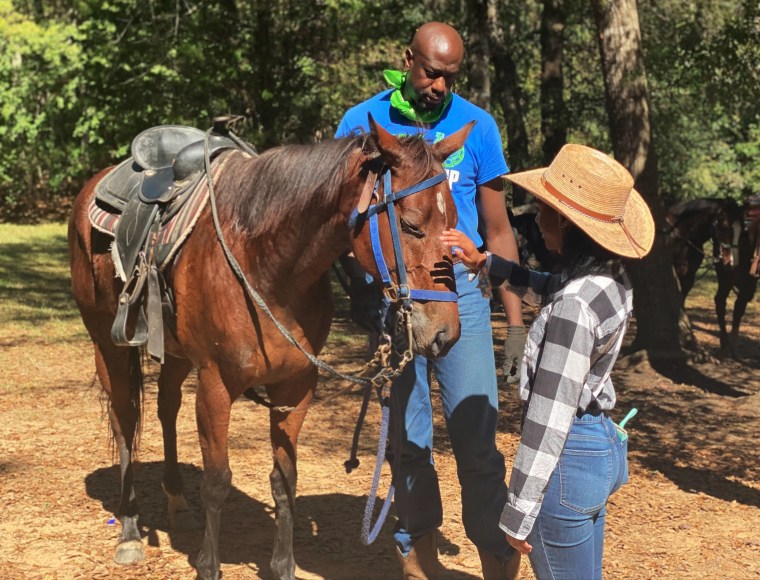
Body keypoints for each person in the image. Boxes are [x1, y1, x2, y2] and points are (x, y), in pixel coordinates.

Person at [336, 21, 524, 580]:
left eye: (450, 76)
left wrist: (513, 322)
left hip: (460, 295)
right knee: (408, 439)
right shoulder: (361, 124)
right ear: (408, 60)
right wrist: (361, 291)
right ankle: (415, 551)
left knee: (478, 442)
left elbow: (498, 227)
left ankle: (496, 555)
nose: (439, 85)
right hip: (396, 303)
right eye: (431, 72)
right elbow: (343, 222)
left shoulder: (480, 129)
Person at [441, 143, 655, 580]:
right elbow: (551, 287)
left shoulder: (574, 307)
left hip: (566, 462)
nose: (536, 219)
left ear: (568, 223)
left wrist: (519, 508)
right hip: (598, 447)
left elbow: (549, 415)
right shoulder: (608, 278)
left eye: (543, 210)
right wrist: (485, 263)